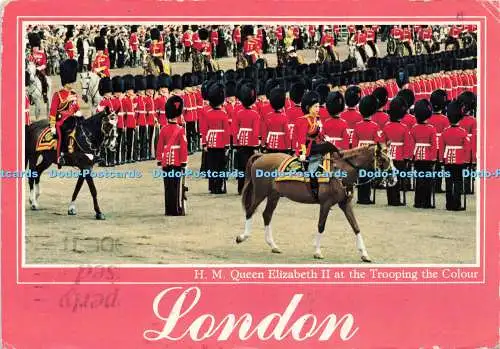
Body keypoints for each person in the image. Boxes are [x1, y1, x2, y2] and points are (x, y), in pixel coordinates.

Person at [293, 91, 338, 202]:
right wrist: (302, 153)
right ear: (308, 107)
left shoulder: (316, 119)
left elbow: (319, 134)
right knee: (328, 147)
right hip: (308, 147)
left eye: (318, 106)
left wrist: (325, 137)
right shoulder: (303, 120)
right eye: (315, 106)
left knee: (328, 146)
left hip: (316, 145)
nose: (318, 108)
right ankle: (314, 190)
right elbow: (302, 139)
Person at [156, 95, 188, 216]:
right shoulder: (181, 130)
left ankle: (168, 210)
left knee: (168, 186)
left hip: (166, 162)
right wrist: (184, 161)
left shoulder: (163, 129)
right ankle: (175, 209)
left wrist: (159, 159)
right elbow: (183, 147)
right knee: (176, 185)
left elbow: (159, 146)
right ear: (178, 115)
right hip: (177, 161)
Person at [351, 95, 385, 205]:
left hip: (360, 151)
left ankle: (361, 197)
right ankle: (366, 198)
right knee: (369, 175)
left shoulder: (357, 125)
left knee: (361, 174)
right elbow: (377, 141)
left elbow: (355, 142)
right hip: (370, 152)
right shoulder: (375, 126)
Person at [49, 59, 82, 169]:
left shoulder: (74, 94)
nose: (73, 84)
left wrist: (78, 112)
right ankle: (59, 156)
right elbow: (53, 111)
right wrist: (52, 125)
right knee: (61, 136)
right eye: (71, 82)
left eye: (73, 81)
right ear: (66, 81)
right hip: (61, 121)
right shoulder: (57, 95)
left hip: (73, 119)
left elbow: (76, 107)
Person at [439, 100, 471, 211]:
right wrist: (467, 160)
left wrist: (441, 159)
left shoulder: (445, 132)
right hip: (459, 160)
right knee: (458, 182)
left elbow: (442, 147)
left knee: (448, 182)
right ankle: (456, 204)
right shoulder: (463, 132)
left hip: (448, 160)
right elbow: (467, 148)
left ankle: (449, 204)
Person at [201, 83, 231, 194]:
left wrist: (204, 143)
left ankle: (212, 186)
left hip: (210, 143)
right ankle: (218, 186)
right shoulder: (223, 114)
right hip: (221, 143)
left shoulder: (208, 113)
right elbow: (226, 131)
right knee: (220, 166)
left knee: (212, 165)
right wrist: (227, 145)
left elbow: (204, 130)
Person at [383, 97, 412, 206]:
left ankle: (391, 199)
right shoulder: (404, 127)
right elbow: (407, 144)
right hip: (400, 156)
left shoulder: (386, 126)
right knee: (398, 179)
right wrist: (406, 157)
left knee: (389, 177)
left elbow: (382, 142)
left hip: (388, 155)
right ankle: (396, 200)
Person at [232, 83, 260, 194]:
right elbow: (256, 132)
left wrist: (235, 142)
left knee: (241, 167)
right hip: (251, 144)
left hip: (240, 142)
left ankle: (240, 188)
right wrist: (256, 145)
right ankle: (250, 188)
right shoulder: (255, 114)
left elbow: (234, 129)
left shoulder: (238, 112)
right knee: (251, 167)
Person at [409, 99, 437, 209]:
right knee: (428, 180)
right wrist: (434, 158)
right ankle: (426, 202)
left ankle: (418, 201)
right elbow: (434, 145)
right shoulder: (431, 129)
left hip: (417, 156)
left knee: (419, 179)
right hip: (428, 157)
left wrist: (412, 156)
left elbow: (411, 144)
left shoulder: (414, 128)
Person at [427, 89, 450, 193]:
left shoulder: (428, 118)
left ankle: (430, 185)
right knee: (439, 167)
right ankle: (437, 187)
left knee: (429, 167)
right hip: (440, 146)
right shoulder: (445, 119)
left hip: (430, 145)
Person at [457, 91, 477, 194]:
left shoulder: (457, 119)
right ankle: (467, 187)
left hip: (458, 149)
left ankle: (460, 188)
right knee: (468, 169)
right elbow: (474, 138)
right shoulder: (473, 121)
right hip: (468, 149)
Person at [261, 86, 291, 154]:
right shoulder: (284, 117)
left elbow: (264, 132)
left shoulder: (268, 116)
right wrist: (288, 147)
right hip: (282, 145)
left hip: (270, 145)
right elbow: (287, 134)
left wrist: (263, 144)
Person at [95, 77, 115, 167]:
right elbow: (98, 113)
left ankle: (109, 160)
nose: (110, 94)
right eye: (108, 92)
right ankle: (103, 161)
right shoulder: (103, 102)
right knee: (104, 144)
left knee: (110, 143)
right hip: (105, 126)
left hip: (110, 125)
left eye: (110, 92)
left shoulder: (110, 101)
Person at [27, 32, 49, 103]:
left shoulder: (42, 53)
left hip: (40, 71)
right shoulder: (30, 54)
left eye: (36, 47)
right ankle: (29, 95)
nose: (35, 48)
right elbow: (29, 63)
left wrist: (38, 68)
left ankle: (44, 94)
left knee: (44, 80)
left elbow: (45, 64)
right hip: (32, 71)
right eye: (34, 47)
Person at [121, 74, 136, 163]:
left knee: (131, 141)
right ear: (127, 91)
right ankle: (124, 158)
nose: (132, 91)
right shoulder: (124, 100)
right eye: (130, 90)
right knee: (124, 142)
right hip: (126, 123)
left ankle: (129, 157)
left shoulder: (132, 99)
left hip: (132, 123)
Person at [111, 76, 125, 165]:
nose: (119, 93)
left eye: (120, 91)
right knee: (114, 143)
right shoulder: (113, 101)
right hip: (115, 125)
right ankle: (113, 159)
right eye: (117, 91)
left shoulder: (121, 100)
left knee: (120, 143)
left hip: (121, 124)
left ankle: (118, 159)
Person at [134, 75, 148, 161]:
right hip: (138, 121)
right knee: (137, 139)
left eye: (143, 90)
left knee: (144, 139)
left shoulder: (145, 99)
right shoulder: (136, 99)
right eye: (141, 90)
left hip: (145, 121)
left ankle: (144, 154)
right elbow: (135, 112)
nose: (142, 92)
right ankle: (137, 155)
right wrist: (135, 122)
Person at [145, 75, 158, 160]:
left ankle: (152, 153)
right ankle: (148, 154)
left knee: (153, 139)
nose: (151, 91)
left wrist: (156, 118)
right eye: (149, 90)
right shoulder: (145, 99)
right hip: (147, 121)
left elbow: (155, 110)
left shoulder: (153, 99)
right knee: (148, 138)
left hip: (153, 121)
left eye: (152, 90)